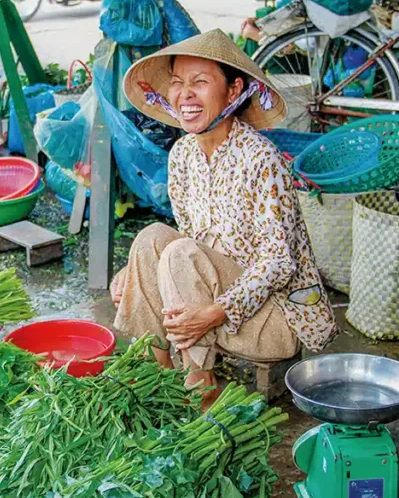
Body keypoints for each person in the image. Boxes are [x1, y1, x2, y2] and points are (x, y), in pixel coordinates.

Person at [112, 29, 338, 409]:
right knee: (151, 238)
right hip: (214, 295)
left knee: (180, 255)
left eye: (200, 82)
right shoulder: (182, 154)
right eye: (178, 83)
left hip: (273, 319)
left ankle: (200, 381)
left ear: (233, 92)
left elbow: (279, 264)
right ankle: (156, 371)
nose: (185, 94)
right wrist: (136, 272)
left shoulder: (260, 159)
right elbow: (191, 235)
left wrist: (215, 312)